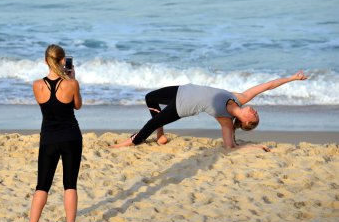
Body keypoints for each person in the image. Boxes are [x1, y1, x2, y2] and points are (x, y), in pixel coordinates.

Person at [111, 71, 307, 150]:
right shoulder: (241, 98)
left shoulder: (226, 120)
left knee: (152, 123)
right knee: (150, 97)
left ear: (246, 122)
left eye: (254, 116)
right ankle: (160, 136)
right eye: (255, 113)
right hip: (182, 89)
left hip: (181, 106)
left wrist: (255, 147)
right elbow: (268, 85)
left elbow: (231, 146)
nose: (255, 111)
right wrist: (292, 78)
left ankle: (130, 142)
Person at [19, 44, 84, 222]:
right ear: (63, 61)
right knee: (70, 184)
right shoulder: (72, 84)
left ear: (45, 61)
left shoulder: (37, 85)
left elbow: (48, 107)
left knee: (42, 185)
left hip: (48, 139)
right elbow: (78, 106)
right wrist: (71, 78)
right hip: (71, 137)